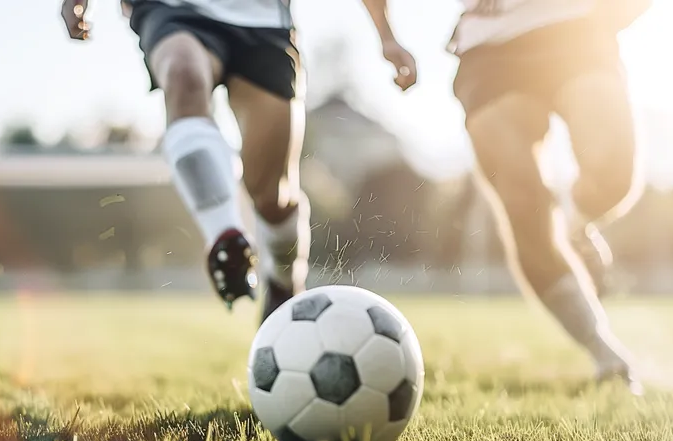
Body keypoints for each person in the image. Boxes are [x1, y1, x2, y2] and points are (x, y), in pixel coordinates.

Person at [61, 0, 415, 321]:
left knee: (273, 196)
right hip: (173, 9)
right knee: (183, 75)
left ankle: (284, 280)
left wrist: (388, 36)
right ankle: (226, 238)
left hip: (265, 22)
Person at [363, 0, 650, 392]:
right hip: (490, 45)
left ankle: (575, 224)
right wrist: (386, 36)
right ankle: (605, 353)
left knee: (611, 173)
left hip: (575, 24)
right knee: (522, 203)